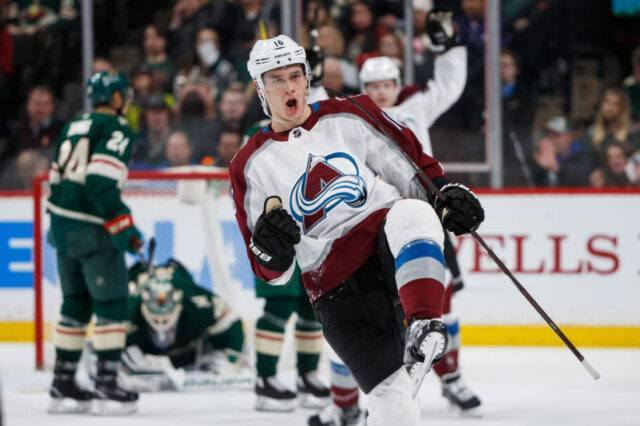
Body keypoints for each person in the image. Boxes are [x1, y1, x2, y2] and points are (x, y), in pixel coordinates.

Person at [230, 35, 484, 426]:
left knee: (413, 212)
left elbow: (412, 172)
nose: (289, 86)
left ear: (307, 77)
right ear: (259, 87)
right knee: (394, 407)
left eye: (295, 75)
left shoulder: (349, 113)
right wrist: (271, 247)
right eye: (276, 79)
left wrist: (445, 196)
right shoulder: (249, 163)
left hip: (380, 244)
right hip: (334, 290)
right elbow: (272, 273)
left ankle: (422, 324)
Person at [310, 12, 481, 425]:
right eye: (373, 86)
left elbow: (449, 85)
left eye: (387, 85)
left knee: (440, 305)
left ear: (397, 84)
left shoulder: (414, 107)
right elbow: (312, 111)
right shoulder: (349, 116)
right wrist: (311, 76)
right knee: (360, 315)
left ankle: (451, 377)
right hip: (368, 224)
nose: (381, 93)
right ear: (364, 87)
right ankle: (347, 401)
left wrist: (450, 46)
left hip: (422, 220)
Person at [47, 70, 141, 415]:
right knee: (112, 304)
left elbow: (56, 178)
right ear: (116, 99)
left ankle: (63, 381)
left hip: (60, 227)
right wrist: (125, 229)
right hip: (92, 229)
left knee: (75, 302)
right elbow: (100, 183)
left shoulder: (73, 125)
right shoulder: (116, 128)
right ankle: (107, 381)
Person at [121, 259, 246, 391]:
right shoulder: (128, 309)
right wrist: (117, 358)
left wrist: (229, 358)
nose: (162, 322)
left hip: (189, 351)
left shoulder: (197, 302)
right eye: (156, 319)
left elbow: (231, 321)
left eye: (166, 319)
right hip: (142, 350)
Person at [533, 116, 595, 187]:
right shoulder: (545, 155)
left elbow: (585, 177)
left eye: (556, 135)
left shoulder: (584, 155)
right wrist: (537, 165)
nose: (551, 140)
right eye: (549, 135)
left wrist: (555, 166)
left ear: (569, 136)